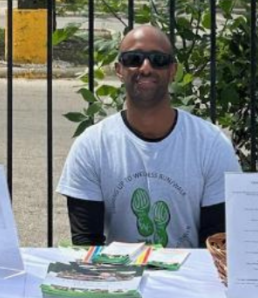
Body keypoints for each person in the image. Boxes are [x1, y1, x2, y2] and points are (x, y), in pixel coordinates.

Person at [57, 25, 242, 249]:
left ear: (173, 70)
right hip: (118, 275)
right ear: (118, 69)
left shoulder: (210, 143)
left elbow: (216, 244)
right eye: (133, 58)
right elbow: (86, 244)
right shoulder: (92, 145)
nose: (145, 67)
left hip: (189, 278)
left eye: (158, 60)